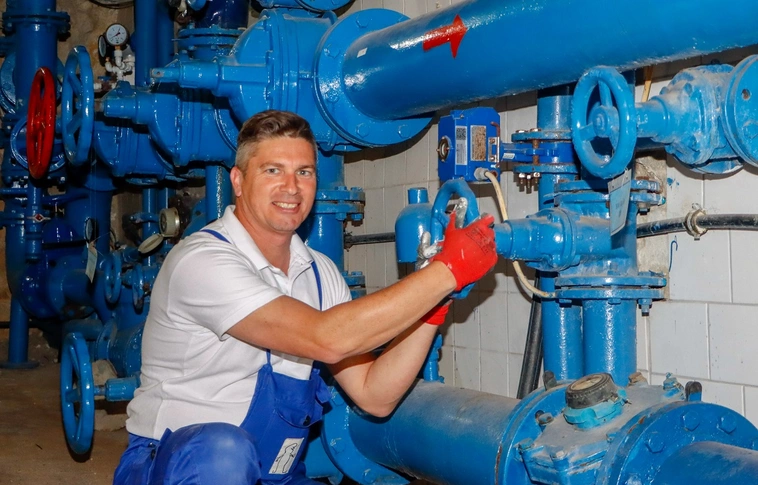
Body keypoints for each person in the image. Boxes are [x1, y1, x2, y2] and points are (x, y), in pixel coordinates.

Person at [114, 110, 497, 485]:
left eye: (304, 172)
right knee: (224, 453)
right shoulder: (202, 260)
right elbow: (325, 337)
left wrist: (433, 306)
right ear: (238, 180)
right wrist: (446, 271)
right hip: (177, 466)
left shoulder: (320, 274)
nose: (291, 187)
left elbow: (374, 395)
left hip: (274, 473)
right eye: (272, 170)